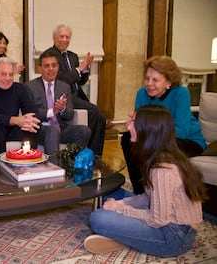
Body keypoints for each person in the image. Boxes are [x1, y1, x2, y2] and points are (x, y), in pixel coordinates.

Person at [84, 104, 207, 257]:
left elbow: (158, 219)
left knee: (97, 218)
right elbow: (148, 197)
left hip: (172, 236)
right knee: (110, 194)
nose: (128, 124)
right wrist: (120, 203)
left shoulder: (162, 170)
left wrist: (119, 209)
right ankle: (132, 237)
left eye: (133, 121)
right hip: (175, 224)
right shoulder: (164, 156)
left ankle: (130, 238)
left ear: (147, 130)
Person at [121, 55, 206, 194]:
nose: (149, 83)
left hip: (187, 141)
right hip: (156, 138)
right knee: (127, 139)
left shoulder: (181, 93)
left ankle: (160, 192)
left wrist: (151, 135)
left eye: (155, 80)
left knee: (158, 147)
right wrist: (133, 126)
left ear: (168, 82)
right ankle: (141, 192)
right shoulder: (142, 94)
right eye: (147, 78)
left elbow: (182, 131)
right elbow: (141, 126)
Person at [44, 24, 106, 156]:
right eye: (61, 36)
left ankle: (95, 154)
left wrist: (86, 69)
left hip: (77, 94)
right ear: (54, 37)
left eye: (67, 37)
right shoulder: (49, 55)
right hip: (64, 96)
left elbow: (80, 81)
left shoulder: (73, 56)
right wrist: (79, 69)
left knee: (100, 117)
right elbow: (61, 81)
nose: (64, 40)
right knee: (94, 111)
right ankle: (91, 153)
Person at [25, 50, 91, 158]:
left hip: (62, 128)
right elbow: (31, 113)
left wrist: (62, 108)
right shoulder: (30, 87)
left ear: (58, 67)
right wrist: (52, 112)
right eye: (47, 66)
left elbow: (69, 114)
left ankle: (70, 163)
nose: (51, 69)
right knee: (52, 131)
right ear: (40, 68)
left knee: (84, 131)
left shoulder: (64, 86)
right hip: (41, 130)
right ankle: (54, 169)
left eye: (54, 65)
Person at [0, 57, 40, 153]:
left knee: (31, 126)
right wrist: (14, 120)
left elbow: (32, 111)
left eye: (10, 74)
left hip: (13, 129)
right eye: (4, 74)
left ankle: (27, 159)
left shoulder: (20, 88)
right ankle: (2, 164)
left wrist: (29, 120)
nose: (8, 78)